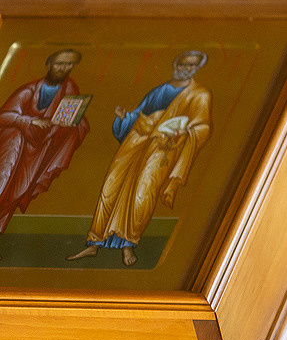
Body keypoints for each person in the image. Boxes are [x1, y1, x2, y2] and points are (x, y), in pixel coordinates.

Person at [70, 48, 211, 267]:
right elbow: (139, 114)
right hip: (137, 139)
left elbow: (202, 126)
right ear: (176, 64)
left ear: (197, 68)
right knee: (111, 187)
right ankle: (94, 242)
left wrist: (184, 131)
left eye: (192, 66)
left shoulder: (200, 95)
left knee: (143, 192)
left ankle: (128, 245)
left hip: (164, 146)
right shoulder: (159, 90)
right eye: (184, 64)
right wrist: (125, 118)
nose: (187, 69)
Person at [0, 48, 90, 233]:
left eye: (68, 64)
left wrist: (71, 123)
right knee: (2, 185)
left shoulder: (70, 90)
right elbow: (5, 115)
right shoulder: (29, 90)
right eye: (59, 63)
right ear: (49, 64)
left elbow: (65, 124)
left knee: (15, 195)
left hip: (38, 155)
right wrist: (29, 121)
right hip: (13, 149)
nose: (63, 68)